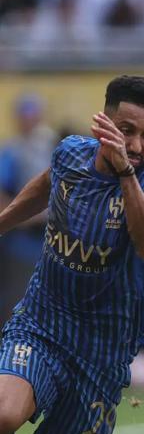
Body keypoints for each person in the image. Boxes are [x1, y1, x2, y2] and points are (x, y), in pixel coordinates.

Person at [0, 76, 144, 434]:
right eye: (126, 130)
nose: (136, 145)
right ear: (104, 124)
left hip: (101, 357)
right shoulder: (71, 154)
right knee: (4, 412)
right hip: (42, 325)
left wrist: (125, 174)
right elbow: (46, 185)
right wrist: (3, 222)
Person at [0, 93, 57, 325]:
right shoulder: (11, 152)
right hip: (21, 245)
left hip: (52, 246)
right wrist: (27, 216)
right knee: (18, 306)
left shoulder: (52, 149)